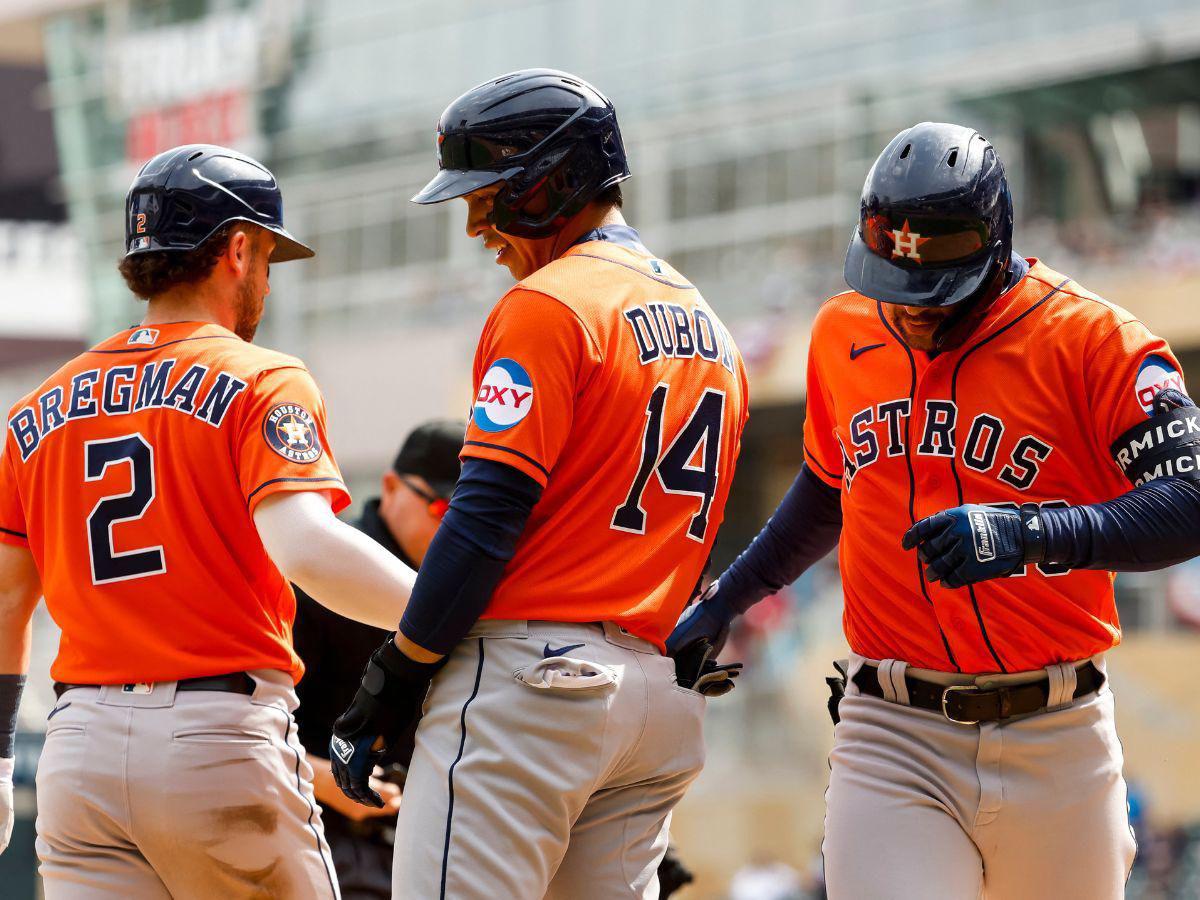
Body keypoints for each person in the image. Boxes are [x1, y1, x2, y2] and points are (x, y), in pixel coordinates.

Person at [669, 122, 1200, 898]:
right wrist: (729, 598)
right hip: (894, 729)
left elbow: (1189, 501)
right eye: (894, 281)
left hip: (1057, 729)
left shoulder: (1093, 340)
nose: (913, 310)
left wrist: (1031, 533)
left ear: (996, 245)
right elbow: (827, 491)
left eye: (935, 292)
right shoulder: (843, 330)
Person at [328, 69, 750, 899]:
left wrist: (399, 670)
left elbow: (486, 514)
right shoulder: (716, 329)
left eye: (488, 193)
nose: (476, 223)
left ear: (555, 180)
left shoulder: (548, 303)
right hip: (657, 705)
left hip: (534, 686)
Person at [0, 144, 420, 898]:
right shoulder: (261, 376)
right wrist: (451, 612)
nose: (266, 275)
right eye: (265, 254)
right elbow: (307, 548)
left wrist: (0, 758)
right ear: (235, 248)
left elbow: (5, 602)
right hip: (216, 734)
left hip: (80, 750)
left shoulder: (38, 407)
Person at [293, 419, 463, 899]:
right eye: (445, 509)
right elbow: (244, 723)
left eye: (474, 515)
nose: (459, 531)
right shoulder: (320, 576)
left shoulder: (476, 586)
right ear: (391, 487)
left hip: (427, 839)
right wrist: (323, 781)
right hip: (316, 830)